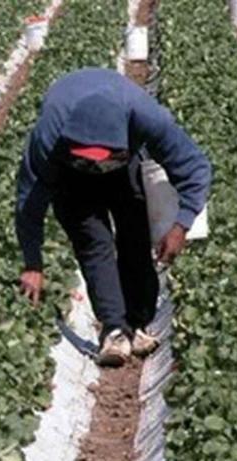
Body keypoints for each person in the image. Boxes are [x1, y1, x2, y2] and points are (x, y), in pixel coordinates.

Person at [15, 68, 211, 367]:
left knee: (134, 232)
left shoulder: (147, 118)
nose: (96, 167)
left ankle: (138, 322)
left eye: (102, 160)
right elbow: (30, 201)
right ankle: (114, 329)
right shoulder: (50, 134)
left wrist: (181, 224)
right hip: (69, 171)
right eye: (88, 160)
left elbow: (194, 167)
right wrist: (32, 262)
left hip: (125, 162)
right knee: (93, 241)